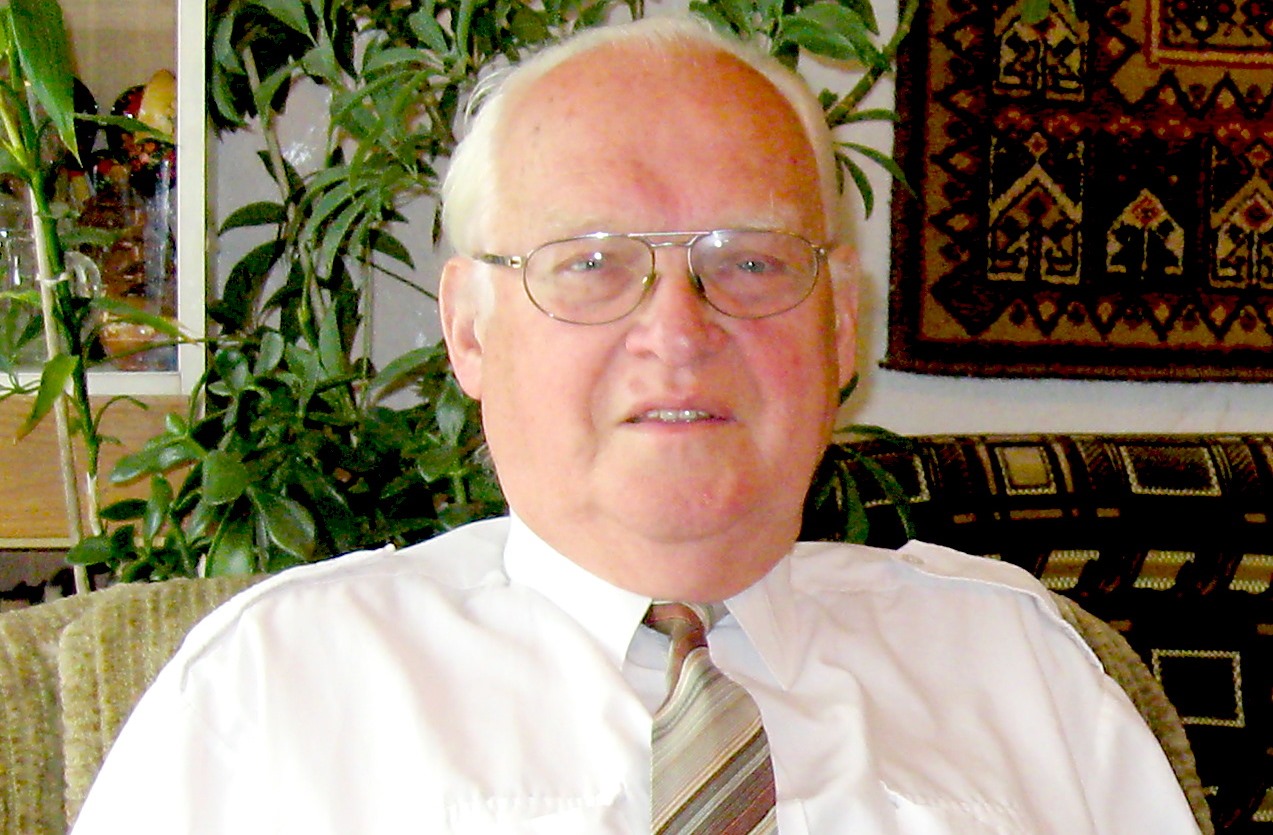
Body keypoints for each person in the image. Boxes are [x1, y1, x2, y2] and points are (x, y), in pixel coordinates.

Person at [71, 16, 1201, 834]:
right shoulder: (272, 690)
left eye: (749, 261)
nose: (676, 328)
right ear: (469, 330)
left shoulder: (1021, 675)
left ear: (839, 330)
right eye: (591, 263)